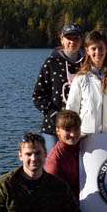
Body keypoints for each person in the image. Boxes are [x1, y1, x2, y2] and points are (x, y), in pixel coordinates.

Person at [32, 23, 83, 152]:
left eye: (76, 38)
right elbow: (38, 96)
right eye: (68, 38)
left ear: (81, 40)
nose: (72, 42)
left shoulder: (87, 64)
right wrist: (55, 115)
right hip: (53, 127)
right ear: (62, 40)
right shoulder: (51, 63)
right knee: (52, 166)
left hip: (81, 127)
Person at [66, 30, 107, 134]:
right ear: (87, 51)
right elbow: (72, 109)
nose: (98, 52)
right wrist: (74, 133)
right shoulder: (80, 78)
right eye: (93, 48)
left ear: (106, 48)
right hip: (87, 135)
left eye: (101, 48)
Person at [44, 109, 82, 200]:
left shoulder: (85, 144)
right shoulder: (53, 161)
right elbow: (54, 194)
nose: (73, 134)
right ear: (57, 130)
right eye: (67, 130)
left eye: (76, 129)